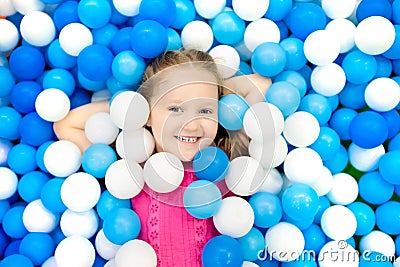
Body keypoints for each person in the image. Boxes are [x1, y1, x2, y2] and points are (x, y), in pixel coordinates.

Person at [53, 49, 271, 266]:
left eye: (205, 111)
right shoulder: (133, 169)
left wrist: (211, 88)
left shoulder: (228, 162)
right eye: (175, 108)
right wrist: (131, 106)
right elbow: (67, 125)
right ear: (146, 113)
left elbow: (261, 84)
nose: (191, 124)